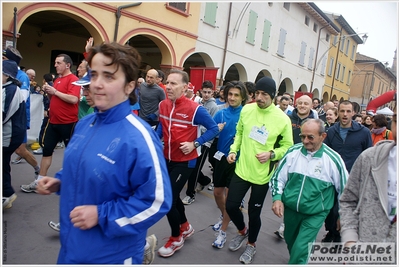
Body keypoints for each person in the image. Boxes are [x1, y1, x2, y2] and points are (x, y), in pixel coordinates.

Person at [36, 42, 172, 264]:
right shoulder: (85, 123)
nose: (96, 84)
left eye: (108, 77)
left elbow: (156, 202)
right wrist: (59, 181)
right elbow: (83, 166)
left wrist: (101, 214)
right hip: (73, 246)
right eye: (94, 74)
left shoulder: (140, 137)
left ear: (129, 87)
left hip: (111, 254)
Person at [225, 76, 293, 264]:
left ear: (273, 96)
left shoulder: (282, 119)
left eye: (265, 94)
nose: (260, 98)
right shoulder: (247, 109)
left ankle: (251, 244)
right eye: (257, 93)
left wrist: (272, 154)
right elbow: (239, 133)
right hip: (241, 169)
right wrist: (233, 150)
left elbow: (288, 146)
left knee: (254, 214)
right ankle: (242, 231)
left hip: (262, 175)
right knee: (231, 206)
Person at [156, 69, 218, 258]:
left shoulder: (195, 109)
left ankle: (176, 238)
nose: (168, 86)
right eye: (167, 82)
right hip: (167, 159)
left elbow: (213, 129)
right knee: (173, 199)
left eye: (173, 83)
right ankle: (185, 227)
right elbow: (161, 128)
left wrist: (195, 143)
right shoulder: (163, 105)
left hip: (186, 161)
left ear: (185, 87)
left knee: (168, 200)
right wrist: (151, 142)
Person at [271, 119, 348, 264]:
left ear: (322, 136)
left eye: (310, 137)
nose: (305, 141)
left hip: (315, 213)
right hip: (291, 210)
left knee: (301, 248)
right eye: (302, 136)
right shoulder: (293, 152)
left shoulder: (333, 159)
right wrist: (277, 198)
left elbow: (345, 190)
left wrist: (342, 216)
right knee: (292, 242)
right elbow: (277, 178)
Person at [20, 53, 81, 193]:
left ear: (67, 65)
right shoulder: (58, 80)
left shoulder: (74, 79)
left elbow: (73, 99)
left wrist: (55, 91)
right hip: (53, 122)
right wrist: (49, 92)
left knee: (71, 154)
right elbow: (55, 98)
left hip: (68, 123)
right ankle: (39, 181)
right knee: (47, 151)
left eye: (58, 63)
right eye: (55, 62)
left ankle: (74, 182)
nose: (55, 65)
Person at [339, 103, 396, 247]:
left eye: (348, 111)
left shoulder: (363, 133)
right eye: (396, 120)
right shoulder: (369, 158)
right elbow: (348, 201)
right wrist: (350, 239)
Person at [323, 100, 372, 243]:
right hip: (332, 177)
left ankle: (339, 235)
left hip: (352, 178)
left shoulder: (363, 132)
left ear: (353, 113)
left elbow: (368, 154)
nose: (345, 114)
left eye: (348, 111)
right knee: (330, 209)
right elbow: (325, 152)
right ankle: (331, 231)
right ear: (338, 112)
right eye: (342, 111)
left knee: (344, 208)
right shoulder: (332, 131)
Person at [211, 81, 247, 249]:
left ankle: (223, 232)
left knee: (231, 198)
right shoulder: (220, 113)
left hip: (238, 162)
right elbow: (209, 132)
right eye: (230, 94)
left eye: (236, 95)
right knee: (218, 193)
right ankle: (224, 214)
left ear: (243, 97)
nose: (232, 98)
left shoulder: (246, 115)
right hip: (220, 158)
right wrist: (215, 130)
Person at [182, 80, 218, 205]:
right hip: (195, 138)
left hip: (205, 141)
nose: (206, 94)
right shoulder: (198, 102)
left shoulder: (213, 107)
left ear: (213, 92)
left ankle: (190, 194)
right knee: (192, 165)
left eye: (209, 92)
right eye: (204, 92)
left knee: (195, 167)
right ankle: (204, 180)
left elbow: (212, 126)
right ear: (200, 91)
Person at [2, 60, 27, 209]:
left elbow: (4, 114)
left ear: (6, 75)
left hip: (10, 134)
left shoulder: (11, 90)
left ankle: (7, 193)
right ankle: (7, 193)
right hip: (8, 133)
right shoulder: (6, 88)